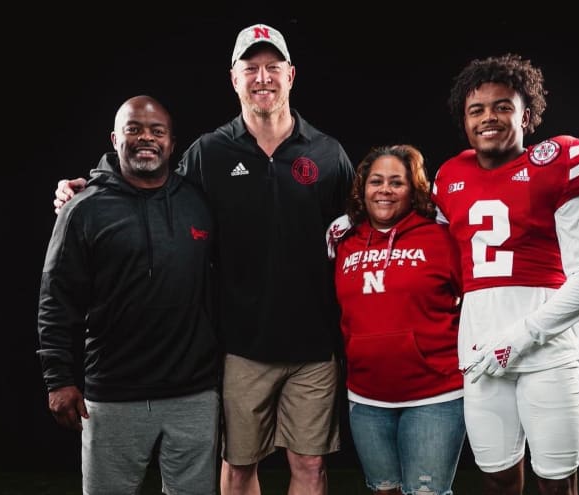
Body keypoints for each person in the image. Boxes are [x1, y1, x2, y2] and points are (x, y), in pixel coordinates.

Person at [52, 24, 355, 495]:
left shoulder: (328, 153)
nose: (262, 78)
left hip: (314, 348)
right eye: (249, 68)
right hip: (239, 346)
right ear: (233, 79)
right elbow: (148, 179)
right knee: (238, 468)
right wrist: (92, 184)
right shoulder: (210, 152)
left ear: (291, 75)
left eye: (272, 67)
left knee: (311, 469)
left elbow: (364, 226)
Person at [430, 53, 579, 495]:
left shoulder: (558, 161)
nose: (489, 117)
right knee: (498, 478)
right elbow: (435, 252)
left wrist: (518, 339)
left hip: (545, 352)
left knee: (555, 482)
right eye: (477, 109)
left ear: (526, 115)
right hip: (478, 351)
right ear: (464, 120)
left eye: (502, 106)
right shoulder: (449, 176)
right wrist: (355, 224)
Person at [38, 95, 220, 495]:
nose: (146, 139)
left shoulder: (199, 201)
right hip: (113, 393)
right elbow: (56, 299)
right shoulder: (83, 208)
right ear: (115, 138)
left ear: (172, 143)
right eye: (134, 129)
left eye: (157, 131)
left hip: (194, 393)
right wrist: (58, 379)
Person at [326, 144, 466, 495]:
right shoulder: (343, 240)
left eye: (396, 182)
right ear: (362, 189)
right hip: (367, 399)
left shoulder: (441, 237)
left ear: (413, 188)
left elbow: (476, 300)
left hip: (434, 395)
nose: (384, 190)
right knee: (382, 490)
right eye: (376, 181)